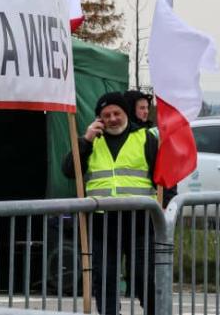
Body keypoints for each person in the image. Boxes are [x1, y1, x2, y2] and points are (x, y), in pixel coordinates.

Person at [62, 92, 159, 315]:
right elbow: (69, 170)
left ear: (126, 113)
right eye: (106, 115)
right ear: (99, 118)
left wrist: (165, 207)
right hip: (102, 221)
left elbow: (163, 178)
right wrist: (85, 140)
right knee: (104, 277)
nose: (112, 118)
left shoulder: (145, 138)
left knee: (143, 276)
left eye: (117, 113)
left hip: (140, 221)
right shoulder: (91, 140)